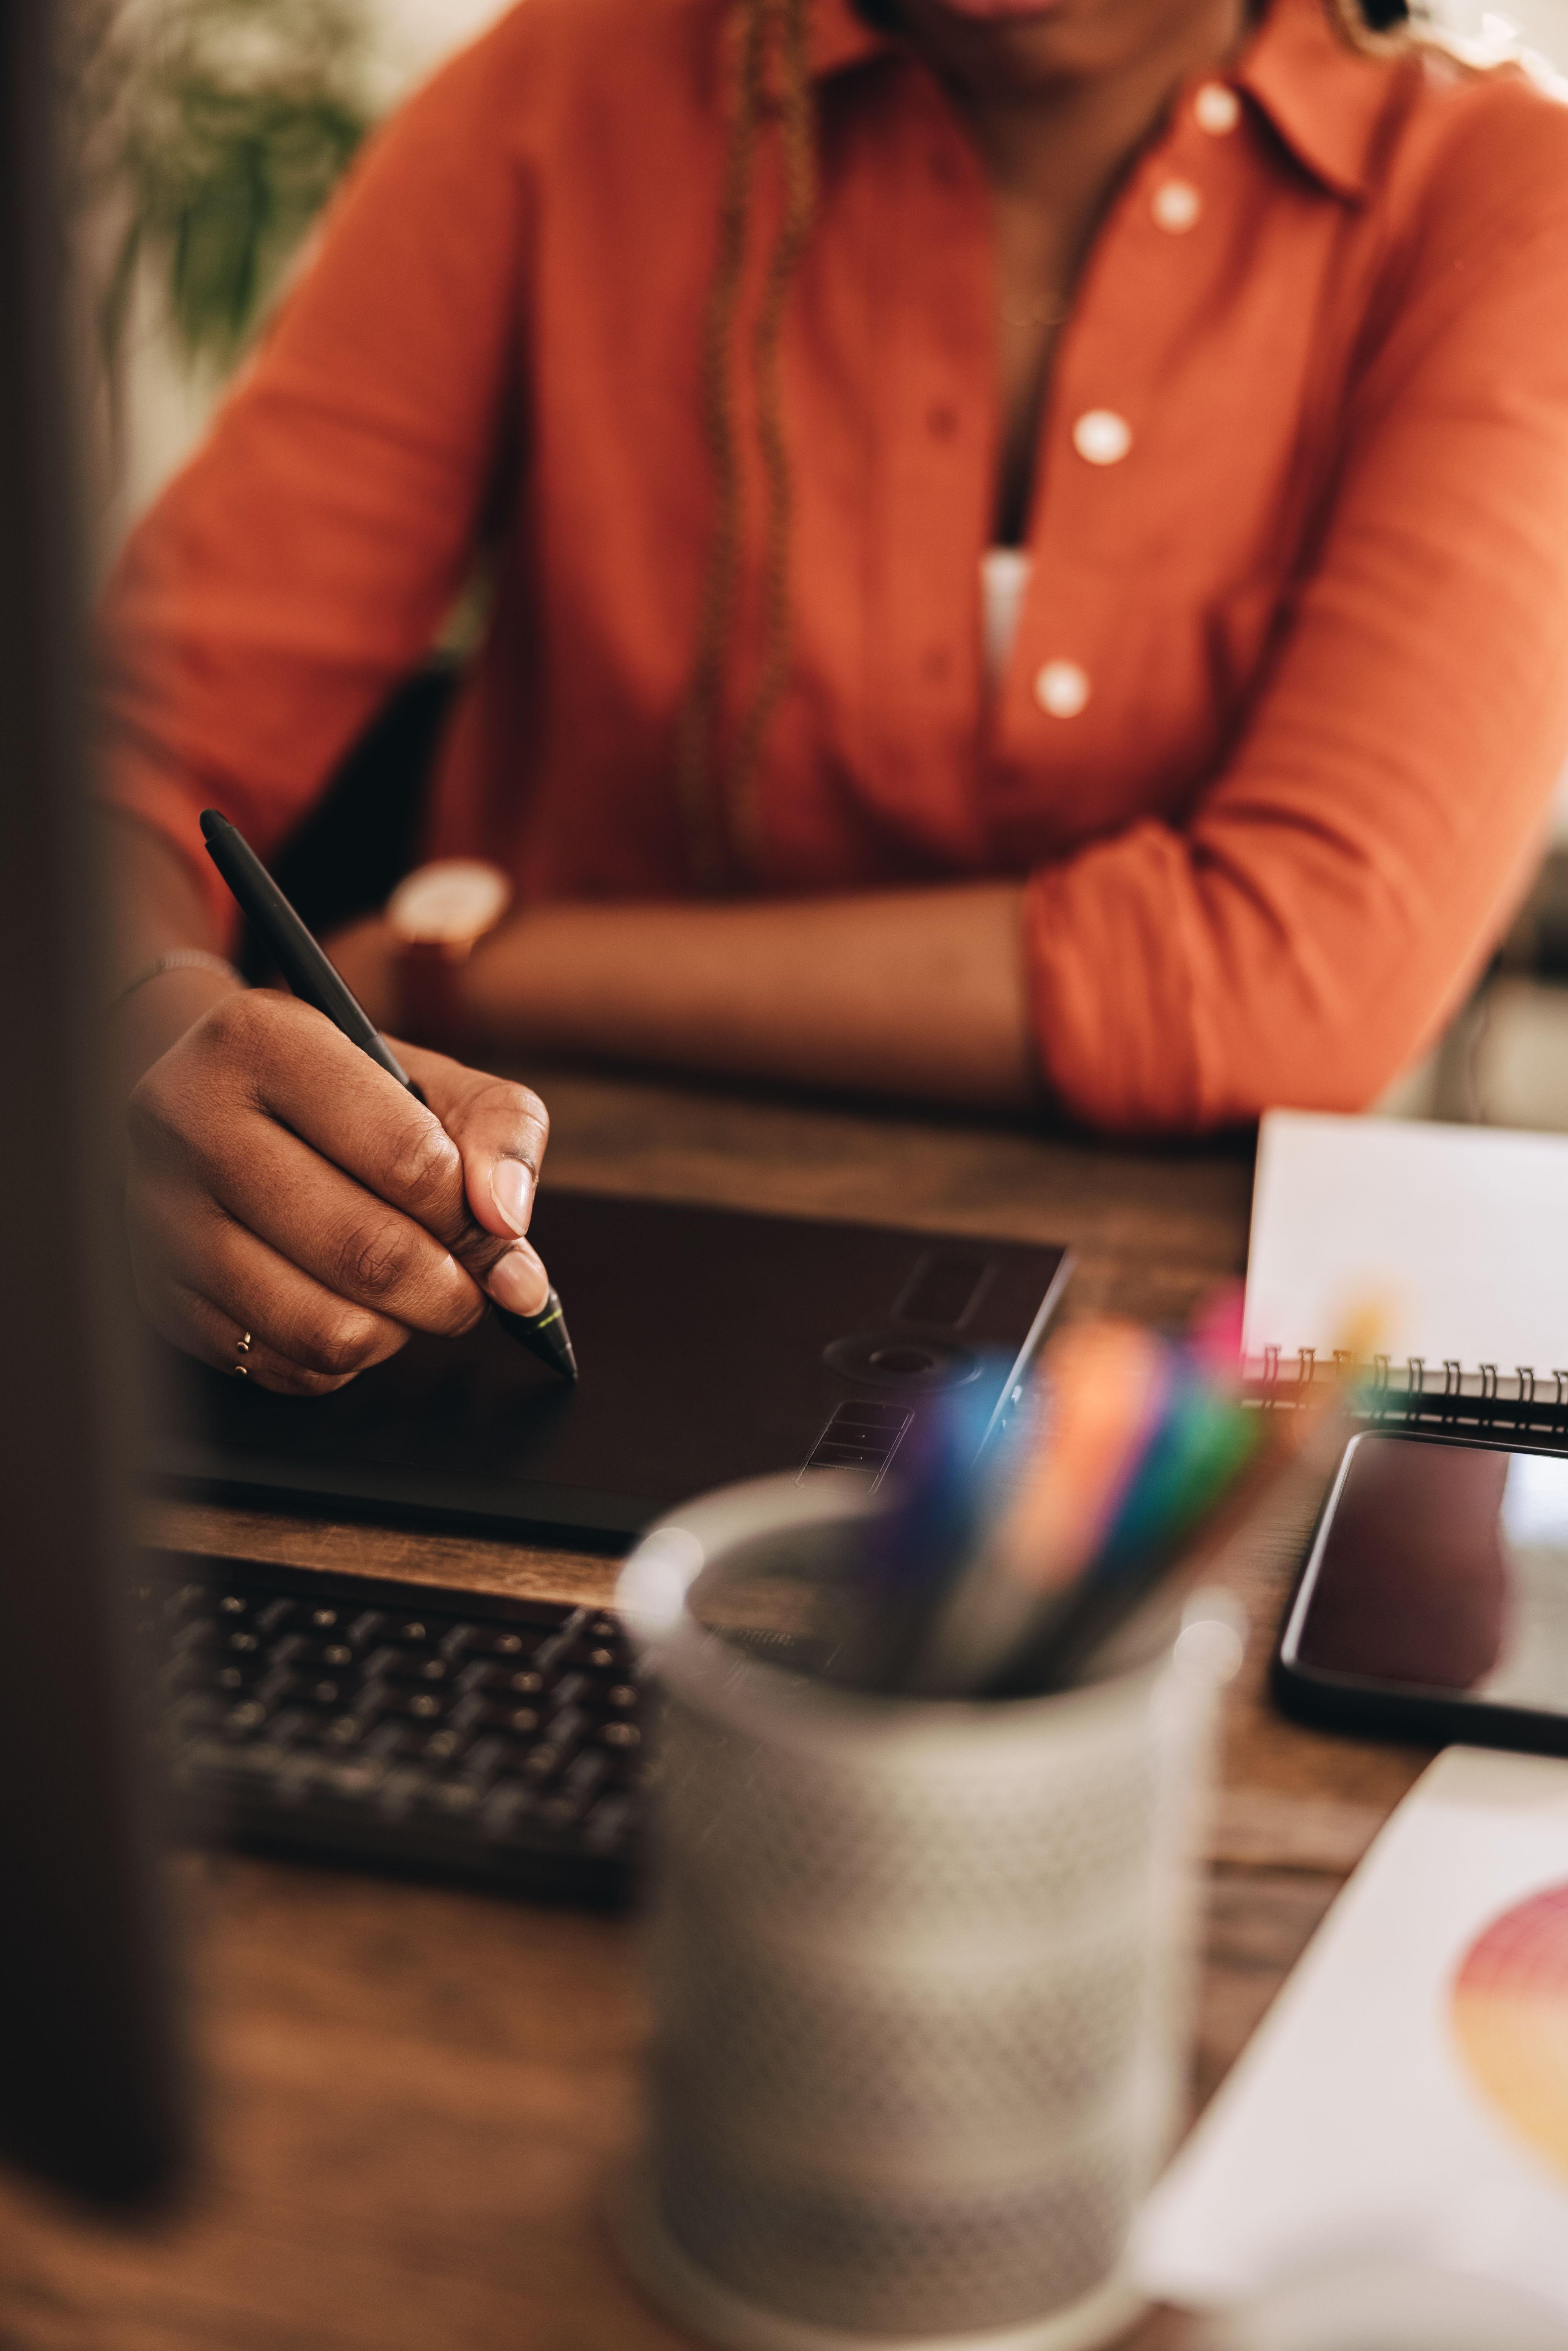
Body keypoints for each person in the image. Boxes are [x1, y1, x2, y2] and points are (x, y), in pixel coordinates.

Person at [99, 0, 1568, 1395]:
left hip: (1164, 1404)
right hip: (526, 1288)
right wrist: (137, 1024)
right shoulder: (573, 96)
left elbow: (1289, 974)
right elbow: (126, 739)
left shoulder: (1496, 204)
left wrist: (466, 972)